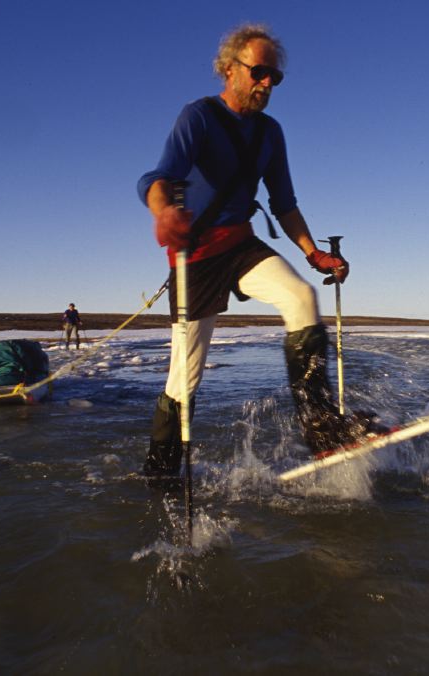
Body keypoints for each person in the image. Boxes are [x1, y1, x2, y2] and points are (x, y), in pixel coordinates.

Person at [137, 23, 380, 479]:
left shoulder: (271, 134)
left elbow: (284, 205)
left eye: (276, 77)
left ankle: (322, 429)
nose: (267, 83)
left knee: (301, 297)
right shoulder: (199, 116)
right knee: (184, 380)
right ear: (230, 70)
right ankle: (161, 472)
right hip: (196, 259)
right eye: (260, 72)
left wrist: (314, 254)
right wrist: (163, 212)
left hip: (241, 244)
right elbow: (158, 178)